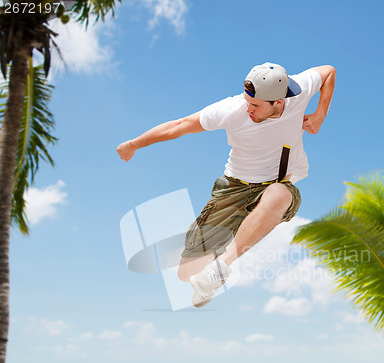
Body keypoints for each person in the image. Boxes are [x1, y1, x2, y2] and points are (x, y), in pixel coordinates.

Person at [117, 62, 336, 308]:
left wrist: (320, 114)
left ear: (278, 101)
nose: (248, 109)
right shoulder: (232, 110)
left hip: (277, 184)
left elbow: (328, 72)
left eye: (255, 105)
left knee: (278, 194)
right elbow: (179, 126)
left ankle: (220, 269)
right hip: (233, 189)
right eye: (247, 101)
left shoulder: (299, 92)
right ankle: (213, 262)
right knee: (185, 273)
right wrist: (133, 144)